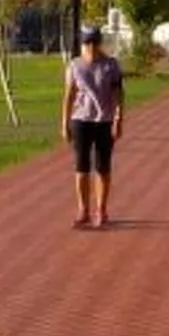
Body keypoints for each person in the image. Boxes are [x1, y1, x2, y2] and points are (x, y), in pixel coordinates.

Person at [62, 24, 125, 229]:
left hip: (104, 121)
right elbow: (69, 95)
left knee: (103, 167)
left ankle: (101, 209)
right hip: (80, 120)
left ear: (99, 42)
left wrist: (118, 119)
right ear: (82, 43)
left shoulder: (110, 65)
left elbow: (118, 95)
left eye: (94, 41)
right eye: (87, 42)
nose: (90, 46)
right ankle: (83, 209)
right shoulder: (75, 65)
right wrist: (65, 122)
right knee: (81, 167)